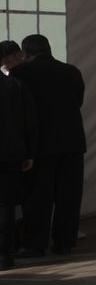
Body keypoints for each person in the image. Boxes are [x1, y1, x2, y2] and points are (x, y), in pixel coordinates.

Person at [10, 34, 86, 257]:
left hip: (40, 145)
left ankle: (36, 243)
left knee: (38, 197)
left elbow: (20, 111)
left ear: (25, 53)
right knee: (68, 196)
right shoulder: (72, 71)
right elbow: (78, 101)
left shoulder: (21, 73)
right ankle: (64, 242)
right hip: (72, 142)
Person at [0, 65, 36, 269]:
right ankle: (4, 254)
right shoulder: (15, 85)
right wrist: (30, 153)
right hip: (10, 153)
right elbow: (29, 121)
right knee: (5, 204)